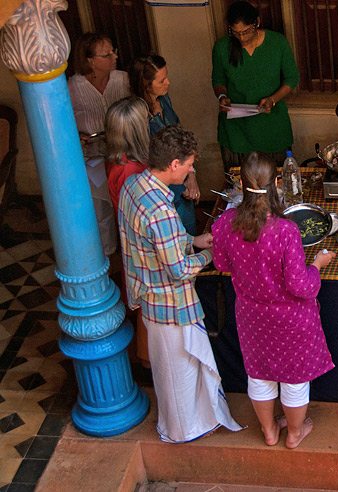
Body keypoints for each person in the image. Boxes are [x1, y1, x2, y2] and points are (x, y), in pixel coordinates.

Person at [118, 125, 242, 443]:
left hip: (148, 295)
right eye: (189, 164)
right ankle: (181, 430)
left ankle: (195, 421)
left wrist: (194, 239)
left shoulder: (134, 185)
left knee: (175, 370)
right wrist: (210, 255)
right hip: (170, 305)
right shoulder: (161, 210)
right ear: (174, 165)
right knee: (179, 373)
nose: (192, 169)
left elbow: (154, 241)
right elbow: (180, 270)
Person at [211, 152, 335, 449]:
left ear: (241, 185)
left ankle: (268, 431)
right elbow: (301, 286)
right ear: (276, 183)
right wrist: (318, 264)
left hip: (252, 315)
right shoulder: (286, 230)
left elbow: (221, 264)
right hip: (290, 318)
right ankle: (293, 433)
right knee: (294, 378)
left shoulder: (225, 223)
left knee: (260, 374)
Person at [212, 1, 300, 170]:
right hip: (236, 130)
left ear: (257, 23)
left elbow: (292, 78)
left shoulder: (277, 43)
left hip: (272, 125)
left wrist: (273, 100)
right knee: (240, 187)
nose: (242, 37)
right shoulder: (222, 48)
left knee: (278, 182)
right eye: (236, 33)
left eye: (246, 31)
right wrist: (222, 96)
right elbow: (218, 80)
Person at [68, 32, 130, 255]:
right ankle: (107, 253)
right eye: (107, 54)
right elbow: (62, 121)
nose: (114, 56)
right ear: (89, 60)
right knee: (100, 208)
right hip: (91, 157)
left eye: (113, 51)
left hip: (122, 153)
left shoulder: (123, 79)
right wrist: (77, 135)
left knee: (126, 205)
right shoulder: (74, 86)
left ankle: (130, 250)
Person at [104, 96, 151, 367]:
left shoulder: (118, 160)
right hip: (140, 245)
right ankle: (146, 358)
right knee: (147, 304)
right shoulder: (130, 170)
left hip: (131, 241)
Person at [129, 54, 198, 235]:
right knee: (173, 237)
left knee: (190, 233)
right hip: (165, 188)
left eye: (167, 76)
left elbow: (181, 139)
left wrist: (191, 175)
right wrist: (181, 182)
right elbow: (148, 159)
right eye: (161, 81)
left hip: (182, 179)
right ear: (145, 84)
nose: (168, 83)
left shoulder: (164, 99)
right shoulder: (139, 115)